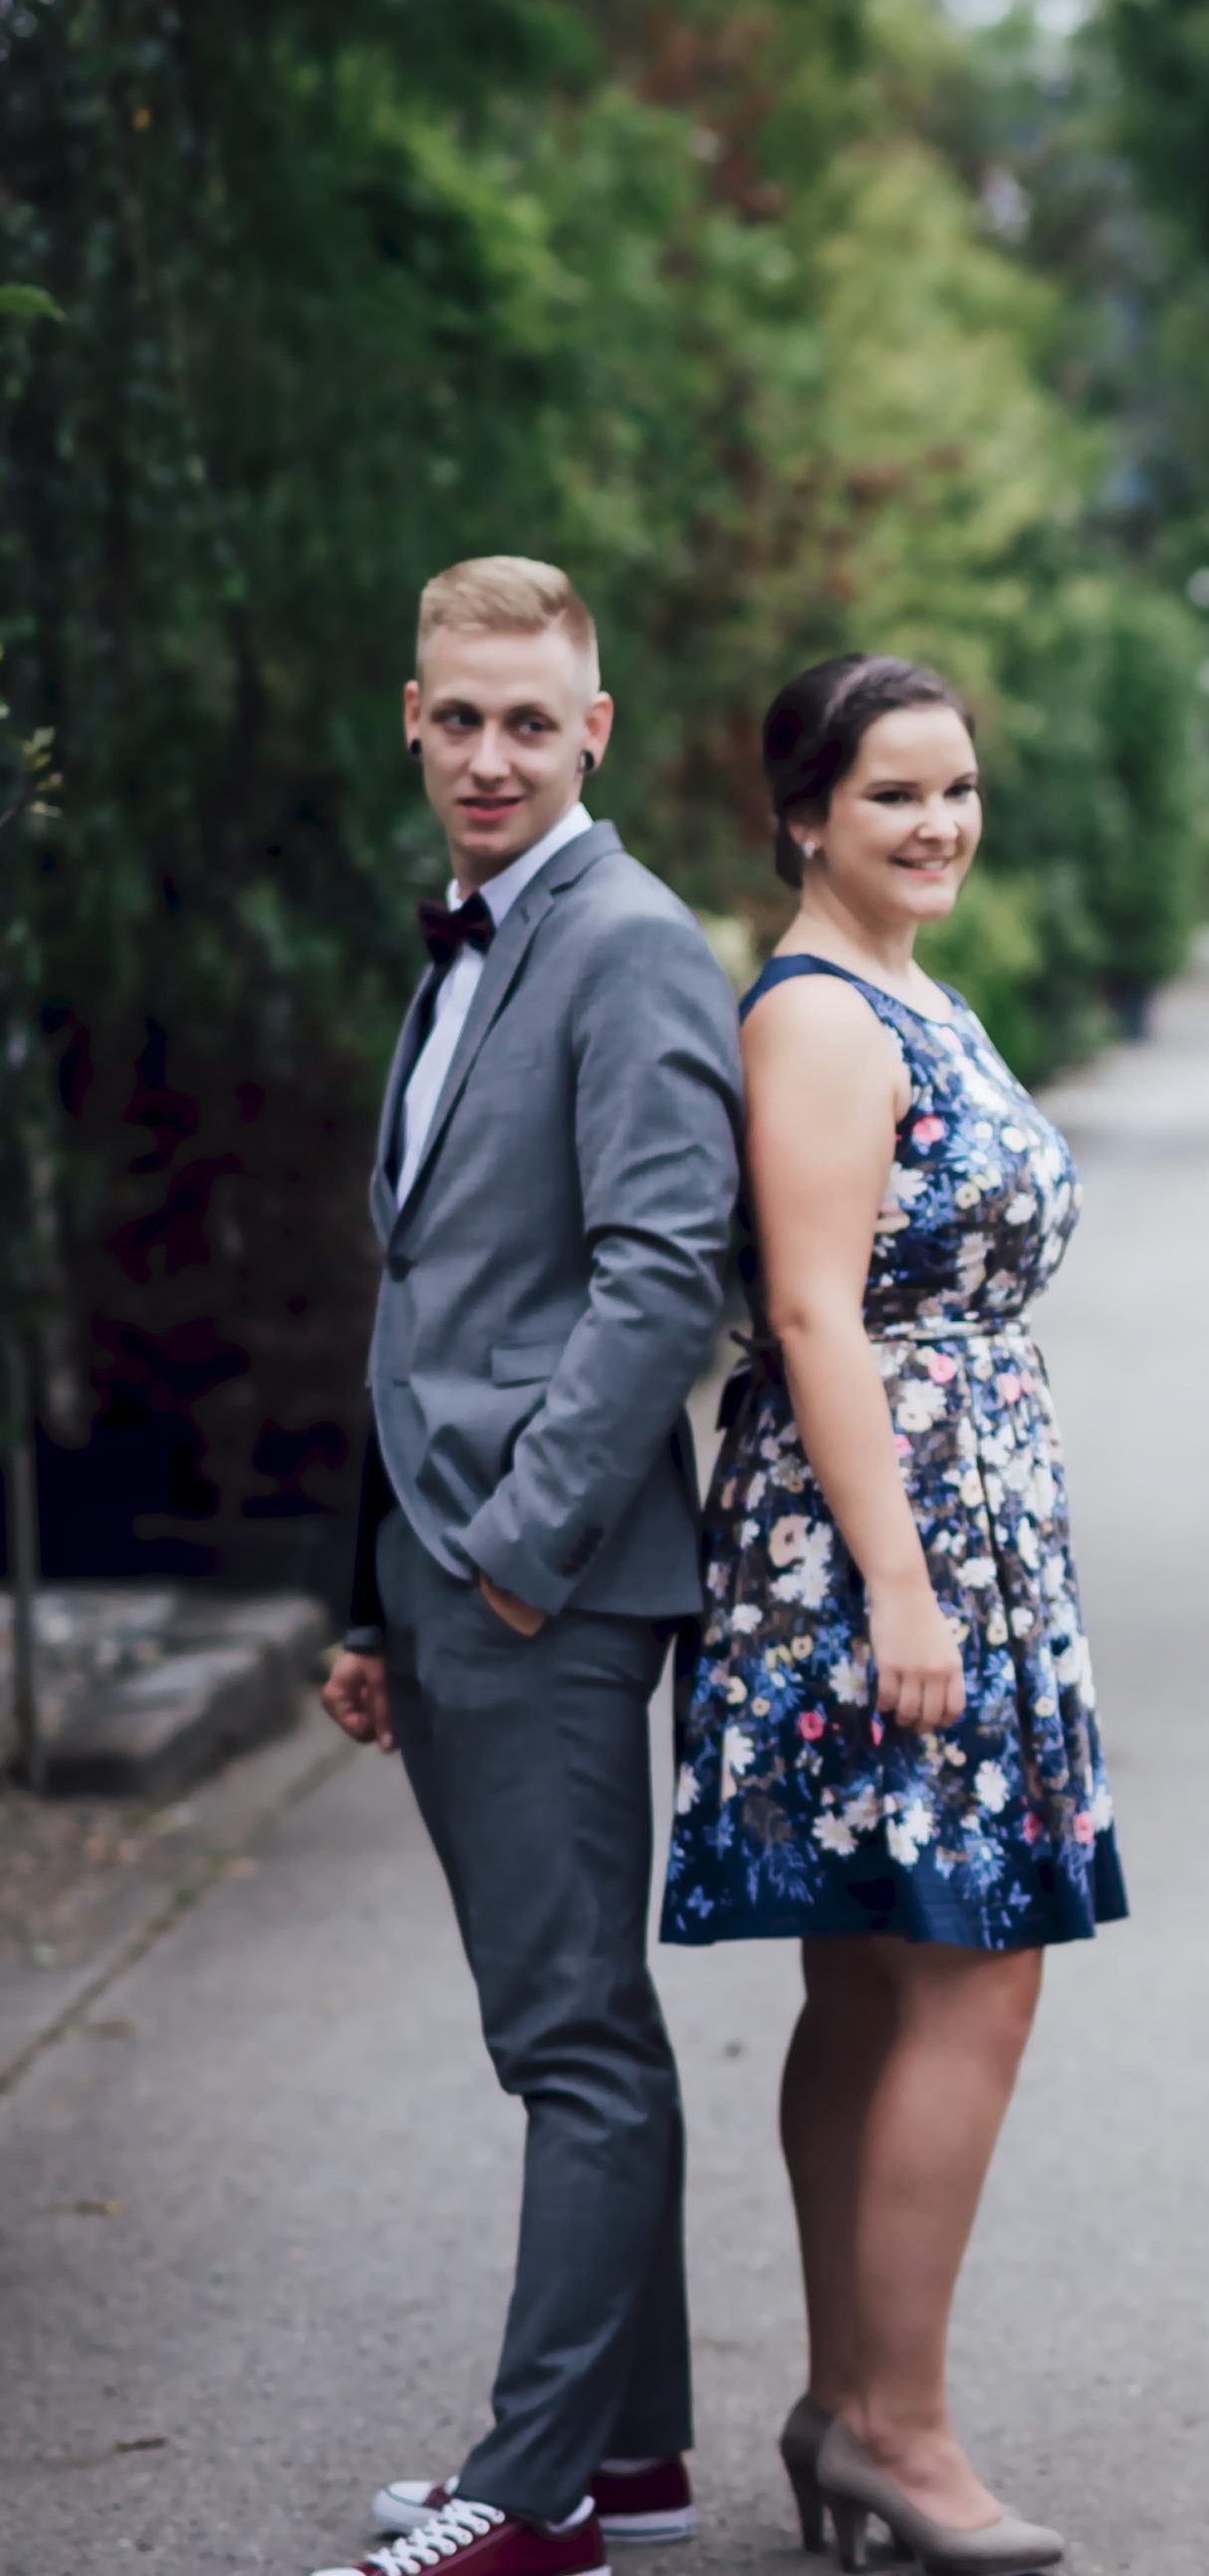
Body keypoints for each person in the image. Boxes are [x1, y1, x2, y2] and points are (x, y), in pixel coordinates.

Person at [661, 654, 1112, 2576]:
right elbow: (811, 1312)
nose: (937, 825)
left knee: (871, 1967)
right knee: (968, 1962)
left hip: (956, 1517)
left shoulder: (918, 989)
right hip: (881, 1538)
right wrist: (905, 1585)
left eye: (958, 789)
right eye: (892, 798)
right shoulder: (825, 1019)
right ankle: (902, 2433)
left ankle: (849, 2409)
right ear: (801, 818)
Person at [315, 559, 742, 2576]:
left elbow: (665, 1275)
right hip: (449, 1566)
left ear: (593, 731)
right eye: (458, 718)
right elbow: (430, 1289)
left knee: (564, 2033)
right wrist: (362, 1587)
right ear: (415, 718)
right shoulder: (472, 945)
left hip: (544, 1576)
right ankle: (631, 2453)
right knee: (586, 2021)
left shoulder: (630, 944)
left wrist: (502, 1557)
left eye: (527, 720)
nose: (489, 754)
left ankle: (535, 2487)